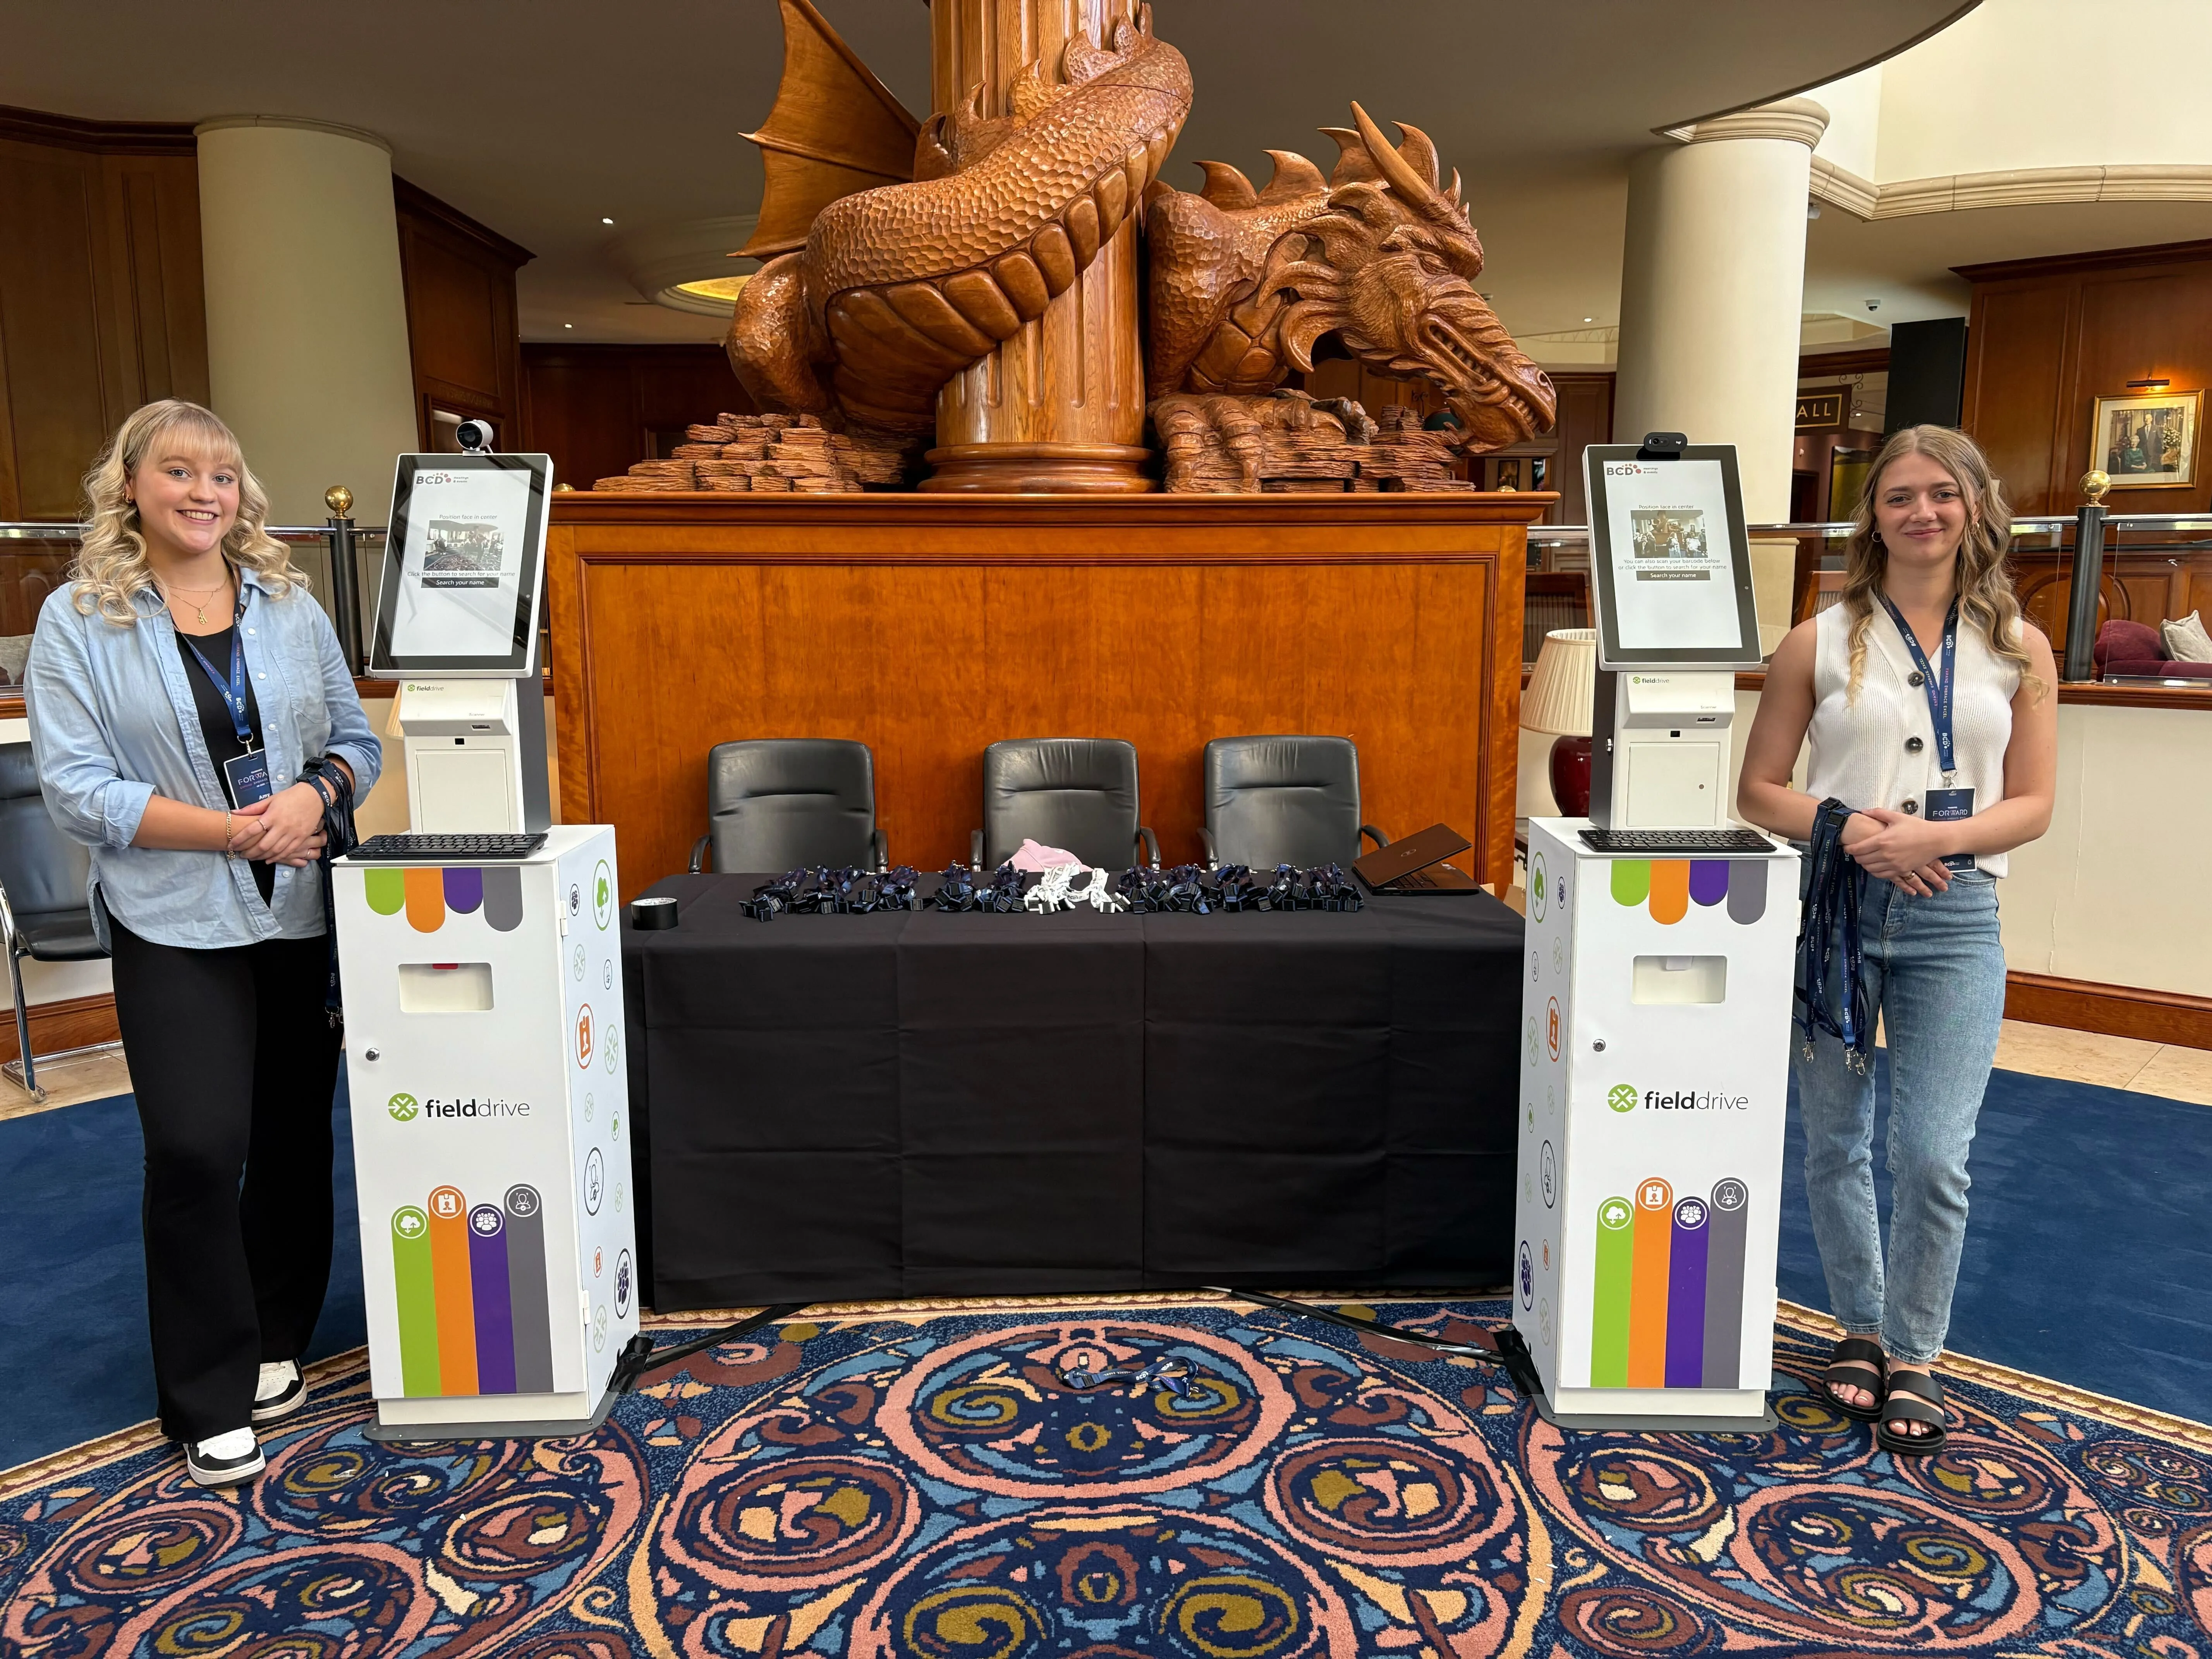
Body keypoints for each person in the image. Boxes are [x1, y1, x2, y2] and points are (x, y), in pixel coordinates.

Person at [24, 400, 381, 1487]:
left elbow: (354, 741)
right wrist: (232, 830)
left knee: (290, 1135)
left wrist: (315, 795)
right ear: (131, 485)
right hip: (171, 916)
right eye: (179, 472)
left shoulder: (288, 603)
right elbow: (77, 790)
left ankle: (276, 1336)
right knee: (194, 1146)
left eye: (221, 476)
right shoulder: (78, 619)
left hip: (298, 907)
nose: (203, 493)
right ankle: (206, 1393)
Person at [1737, 424, 2056, 1457]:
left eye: (1941, 495)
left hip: (1957, 919)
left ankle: (1918, 1350)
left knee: (1931, 1152)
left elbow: (2034, 804)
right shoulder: (1817, 640)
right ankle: (1861, 1329)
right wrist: (1852, 830)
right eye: (1899, 497)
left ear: (1975, 507)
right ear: (1872, 517)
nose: (1922, 512)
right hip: (1836, 911)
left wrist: (1938, 839)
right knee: (1835, 1140)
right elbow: (1758, 790)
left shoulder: (2020, 648)